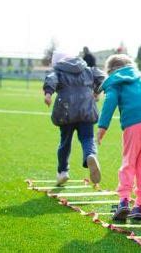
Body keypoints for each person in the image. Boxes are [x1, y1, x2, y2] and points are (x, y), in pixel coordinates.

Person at [97, 54, 141, 221]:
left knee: (129, 162)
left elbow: (110, 102)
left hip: (134, 125)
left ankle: (123, 202)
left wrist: (102, 128)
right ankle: (140, 205)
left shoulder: (116, 83)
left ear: (111, 71)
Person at [43, 51, 105, 186]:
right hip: (86, 110)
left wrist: (48, 94)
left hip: (66, 113)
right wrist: (97, 91)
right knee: (87, 138)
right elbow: (102, 77)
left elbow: (51, 79)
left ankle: (63, 172)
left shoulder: (59, 72)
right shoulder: (87, 70)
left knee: (65, 142)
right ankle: (90, 155)